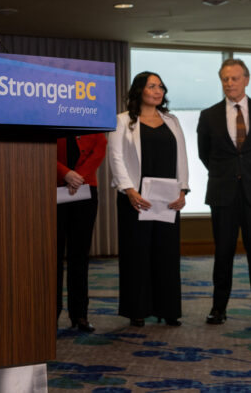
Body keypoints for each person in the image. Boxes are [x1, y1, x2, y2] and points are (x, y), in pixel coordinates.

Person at [107, 72, 189, 327]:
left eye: (160, 86)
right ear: (139, 90)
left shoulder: (172, 120)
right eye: (152, 86)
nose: (158, 90)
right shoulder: (122, 121)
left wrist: (183, 191)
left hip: (167, 198)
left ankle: (168, 309)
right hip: (135, 198)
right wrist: (129, 190)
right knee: (137, 254)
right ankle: (137, 309)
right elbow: (116, 157)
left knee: (166, 253)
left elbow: (182, 157)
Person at [198, 58, 251, 324]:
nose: (229, 83)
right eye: (225, 79)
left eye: (234, 78)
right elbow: (205, 154)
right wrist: (227, 174)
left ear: (246, 80)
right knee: (223, 252)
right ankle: (219, 308)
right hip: (223, 193)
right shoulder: (209, 115)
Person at [56, 133, 107, 333]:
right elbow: (41, 149)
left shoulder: (89, 114)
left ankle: (80, 314)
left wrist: (77, 177)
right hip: (53, 186)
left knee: (80, 255)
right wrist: (65, 173)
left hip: (85, 189)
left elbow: (99, 147)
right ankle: (51, 313)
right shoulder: (48, 114)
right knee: (54, 255)